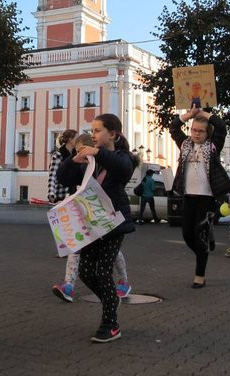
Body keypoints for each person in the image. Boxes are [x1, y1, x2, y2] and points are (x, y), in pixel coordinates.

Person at [56, 114, 137, 343]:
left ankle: (110, 324)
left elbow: (122, 168)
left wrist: (97, 152)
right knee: (86, 272)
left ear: (113, 134)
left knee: (103, 271)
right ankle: (111, 300)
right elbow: (63, 177)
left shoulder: (121, 157)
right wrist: (74, 159)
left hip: (113, 224)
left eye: (98, 130)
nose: (93, 134)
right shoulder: (91, 159)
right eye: (91, 130)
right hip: (89, 223)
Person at [51, 133, 131, 303]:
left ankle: (123, 281)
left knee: (113, 253)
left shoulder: (103, 165)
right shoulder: (80, 166)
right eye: (77, 152)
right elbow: (63, 178)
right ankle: (68, 285)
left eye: (83, 152)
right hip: (81, 213)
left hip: (102, 215)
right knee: (75, 246)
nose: (81, 155)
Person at [169, 106, 227, 288]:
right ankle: (204, 251)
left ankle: (199, 275)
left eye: (201, 131)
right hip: (189, 196)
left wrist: (203, 114)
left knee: (198, 234)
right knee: (187, 235)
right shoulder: (185, 144)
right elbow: (173, 127)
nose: (196, 134)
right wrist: (190, 115)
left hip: (207, 198)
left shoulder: (212, 147)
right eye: (193, 130)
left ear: (207, 133)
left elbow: (222, 127)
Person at [47, 129, 76, 204]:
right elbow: (52, 175)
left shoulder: (76, 155)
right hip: (61, 196)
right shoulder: (58, 155)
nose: (78, 140)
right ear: (70, 139)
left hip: (74, 194)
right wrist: (51, 194)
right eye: (76, 138)